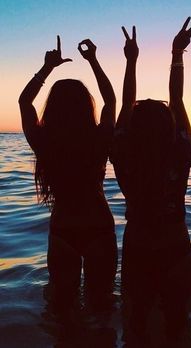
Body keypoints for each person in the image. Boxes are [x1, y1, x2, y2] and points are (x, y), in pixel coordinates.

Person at [111, 18, 191, 348]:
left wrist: (131, 60)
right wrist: (176, 53)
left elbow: (124, 104)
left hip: (138, 250)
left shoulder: (123, 156)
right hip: (175, 248)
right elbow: (176, 101)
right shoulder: (179, 152)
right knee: (180, 328)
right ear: (169, 128)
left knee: (135, 330)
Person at [19, 36, 117, 316]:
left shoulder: (45, 142)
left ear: (53, 108)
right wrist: (93, 61)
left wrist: (47, 67)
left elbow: (24, 101)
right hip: (99, 225)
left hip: (64, 229)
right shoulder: (98, 140)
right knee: (103, 307)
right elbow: (110, 100)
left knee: (62, 309)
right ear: (86, 107)